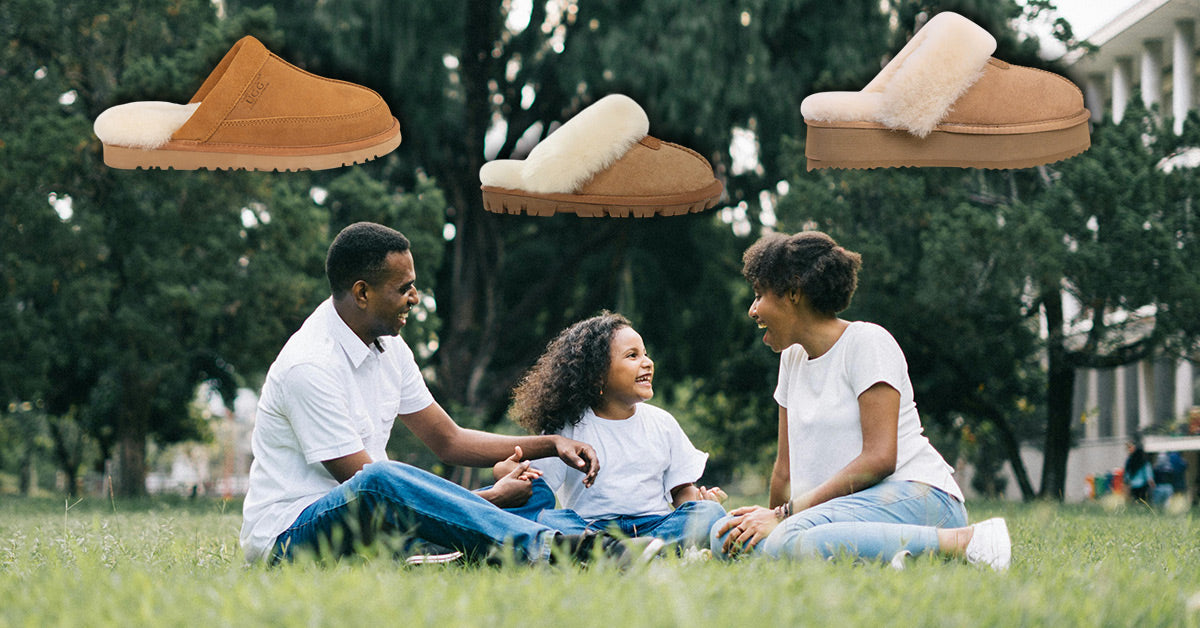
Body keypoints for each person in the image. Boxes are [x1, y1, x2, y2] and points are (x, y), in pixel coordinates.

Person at [239, 222, 645, 566]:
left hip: (373, 521)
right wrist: (489, 497)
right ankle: (549, 548)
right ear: (362, 293)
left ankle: (449, 549)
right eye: (404, 288)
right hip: (291, 536)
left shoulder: (389, 347)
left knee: (533, 490)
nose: (414, 298)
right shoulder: (309, 365)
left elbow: (449, 441)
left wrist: (553, 445)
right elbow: (369, 489)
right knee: (379, 476)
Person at [710, 231, 1011, 570]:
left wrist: (784, 517)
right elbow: (784, 470)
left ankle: (967, 541)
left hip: (916, 496)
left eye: (759, 294)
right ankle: (891, 557)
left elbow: (880, 459)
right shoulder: (791, 360)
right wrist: (766, 522)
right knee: (725, 538)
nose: (753, 310)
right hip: (840, 511)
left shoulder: (867, 342)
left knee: (790, 539)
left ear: (793, 292)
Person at [496, 312, 728, 551]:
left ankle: (634, 550)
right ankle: (624, 551)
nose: (647, 362)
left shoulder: (663, 423)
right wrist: (508, 470)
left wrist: (695, 506)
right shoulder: (567, 427)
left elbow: (681, 489)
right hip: (590, 529)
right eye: (632, 356)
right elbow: (537, 486)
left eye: (645, 354)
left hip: (655, 525)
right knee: (548, 520)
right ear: (597, 376)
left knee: (710, 513)